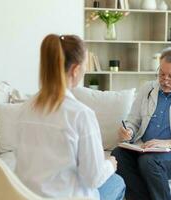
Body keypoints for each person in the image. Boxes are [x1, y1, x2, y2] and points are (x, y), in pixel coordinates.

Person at [14, 34, 125, 200]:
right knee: (117, 182)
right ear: (75, 70)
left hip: (28, 196)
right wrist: (110, 164)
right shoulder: (81, 115)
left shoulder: (25, 109)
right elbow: (93, 178)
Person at [111, 47, 171, 200]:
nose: (165, 80)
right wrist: (128, 131)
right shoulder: (148, 89)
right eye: (161, 74)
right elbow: (133, 121)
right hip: (144, 148)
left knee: (149, 161)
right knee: (118, 154)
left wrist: (169, 143)